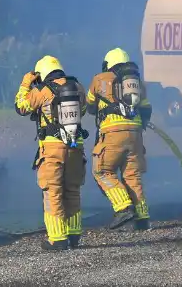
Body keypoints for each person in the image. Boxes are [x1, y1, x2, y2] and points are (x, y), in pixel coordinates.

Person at [14, 55, 88, 250]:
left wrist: (25, 84)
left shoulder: (43, 90)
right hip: (76, 145)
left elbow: (21, 107)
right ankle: (73, 235)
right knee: (72, 190)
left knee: (53, 191)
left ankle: (57, 238)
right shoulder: (77, 87)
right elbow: (85, 109)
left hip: (53, 148)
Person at [86, 48, 153, 231]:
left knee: (102, 171)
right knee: (132, 175)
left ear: (108, 64)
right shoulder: (137, 81)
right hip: (135, 134)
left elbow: (90, 105)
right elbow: (146, 108)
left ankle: (123, 208)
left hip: (112, 132)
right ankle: (142, 218)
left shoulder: (99, 79)